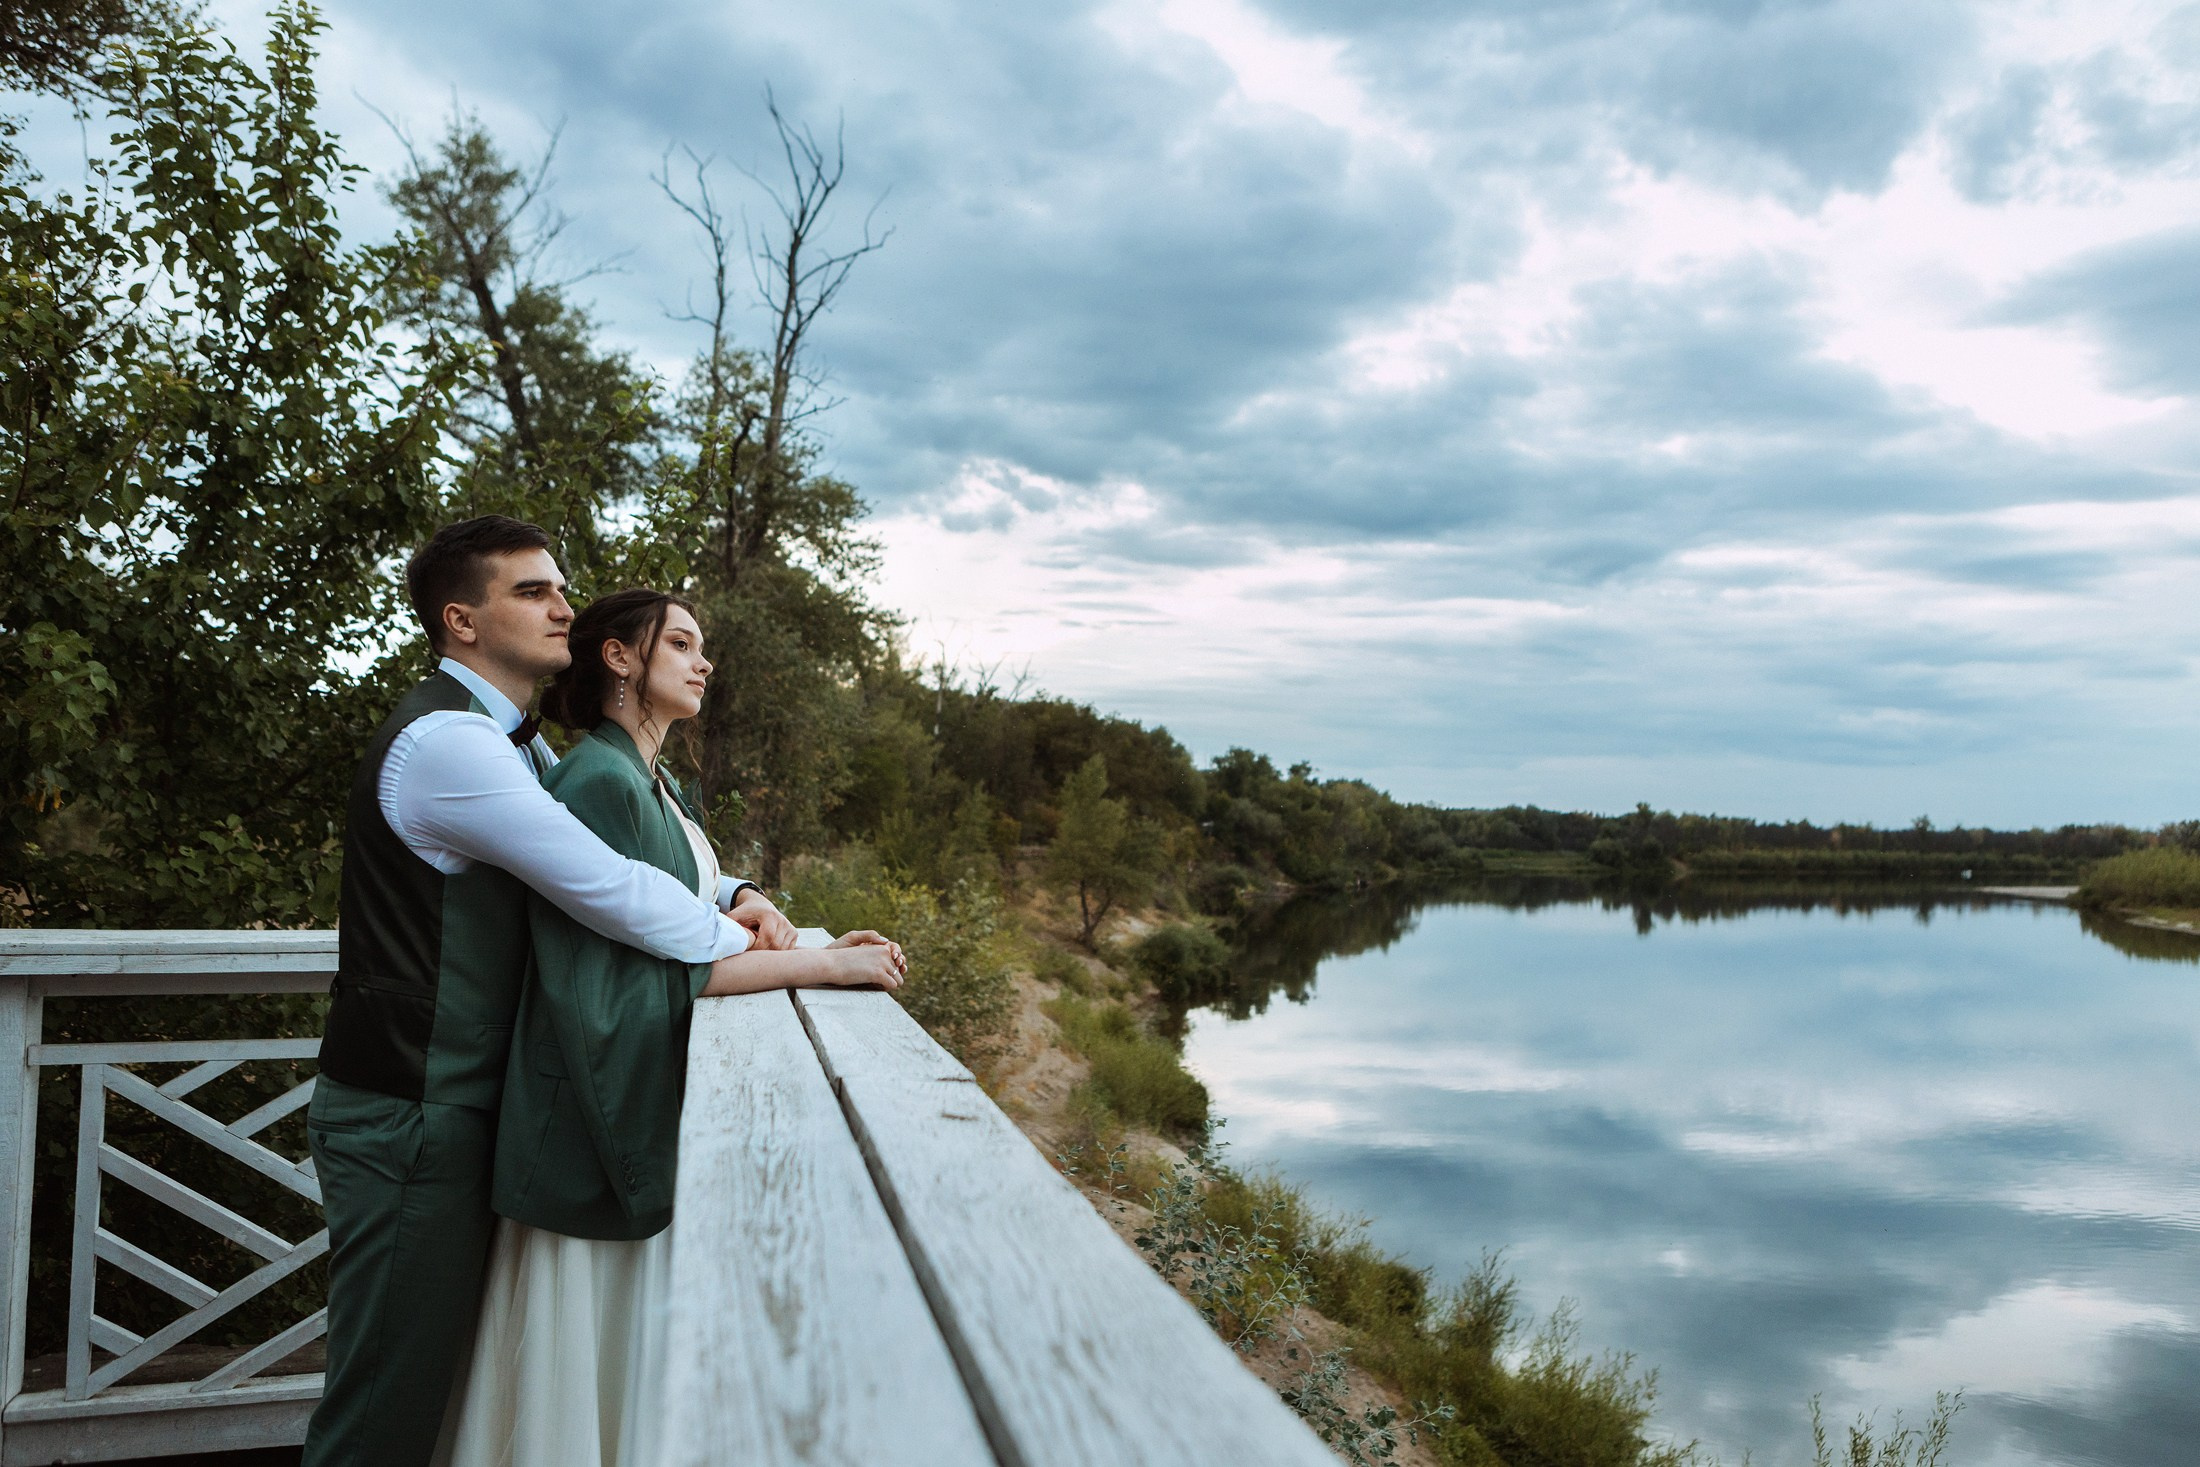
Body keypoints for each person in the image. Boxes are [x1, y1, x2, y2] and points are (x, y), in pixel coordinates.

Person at [305, 518, 799, 1467]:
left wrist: (732, 891)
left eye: (561, 589)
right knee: (382, 1407)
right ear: (461, 620)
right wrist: (771, 951)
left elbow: (640, 863)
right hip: (410, 1107)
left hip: (456, 1106)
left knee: (433, 1384)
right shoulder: (448, 745)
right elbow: (606, 887)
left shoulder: (516, 745)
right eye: (531, 591)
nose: (562, 606)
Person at [432, 588, 905, 1467]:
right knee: (582, 1379)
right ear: (619, 657)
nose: (704, 660)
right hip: (585, 1119)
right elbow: (644, 969)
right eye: (680, 642)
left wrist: (764, 904)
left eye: (703, 644)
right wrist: (825, 962)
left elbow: (692, 904)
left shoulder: (648, 776)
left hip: (634, 1100)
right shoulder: (599, 779)